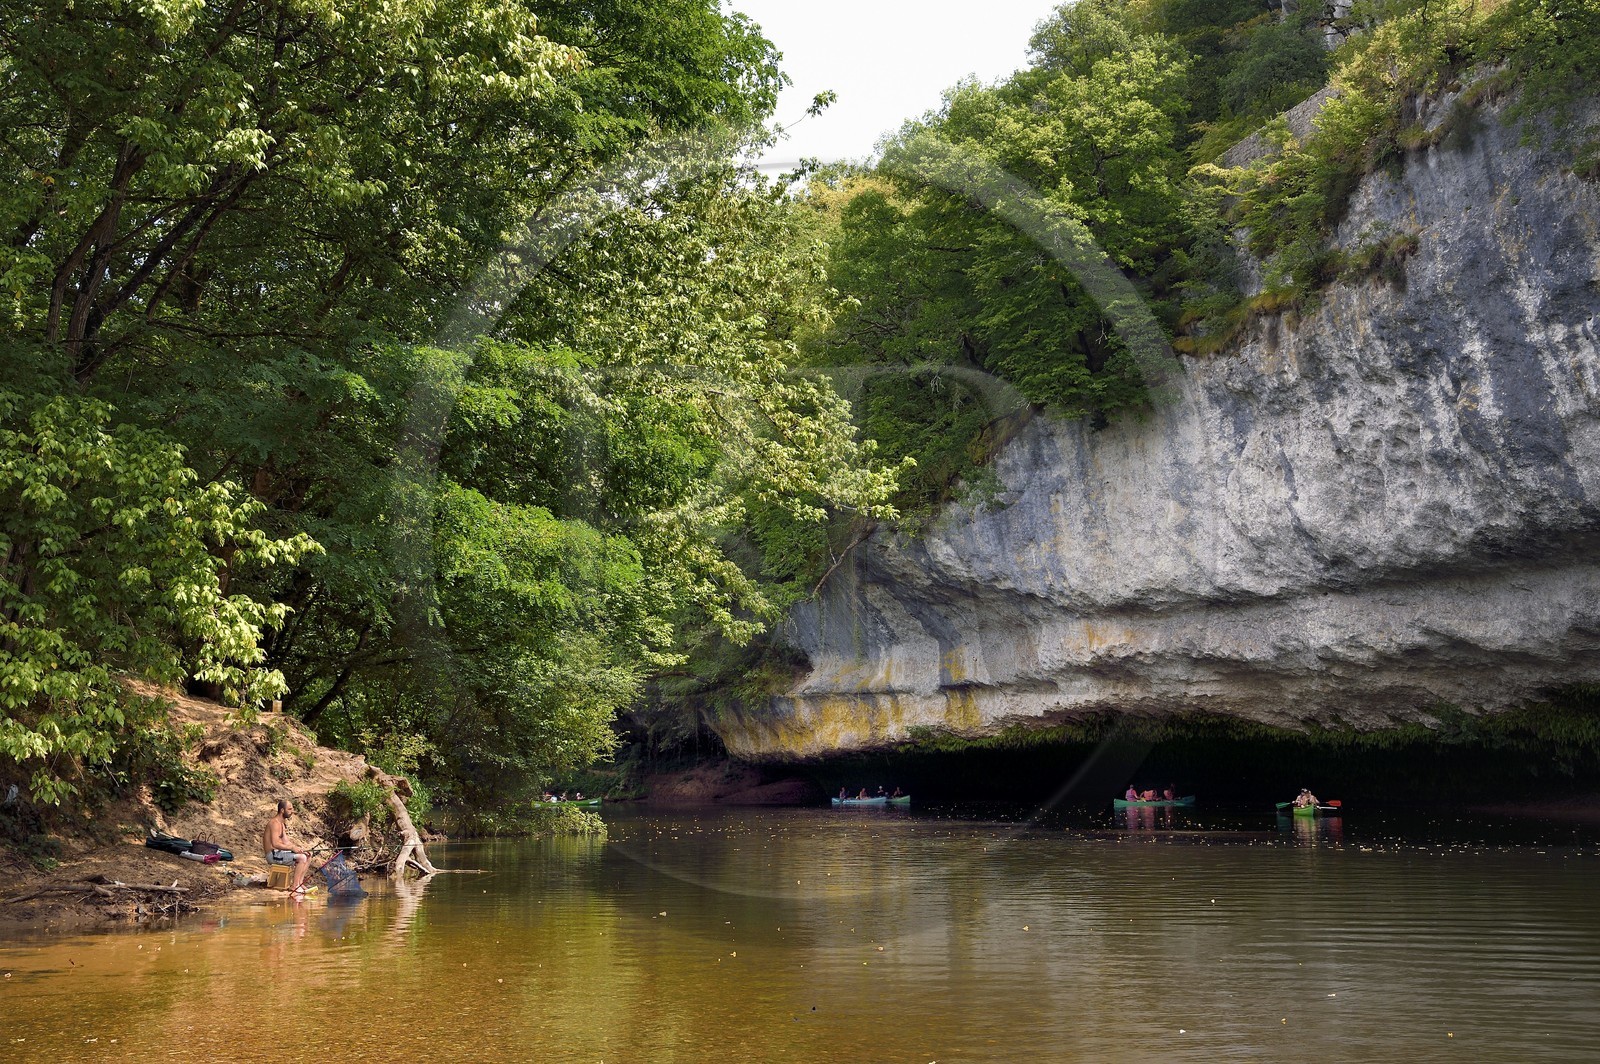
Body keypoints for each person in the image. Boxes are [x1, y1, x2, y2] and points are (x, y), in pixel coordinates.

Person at [264, 798, 311, 894]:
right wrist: (292, 848)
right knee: (302, 858)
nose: (292, 811)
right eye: (289, 809)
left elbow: (286, 842)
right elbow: (275, 844)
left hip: (279, 853)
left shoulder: (281, 824)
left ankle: (299, 883)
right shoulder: (274, 823)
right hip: (272, 855)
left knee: (308, 856)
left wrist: (298, 849)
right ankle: (294, 886)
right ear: (282, 810)